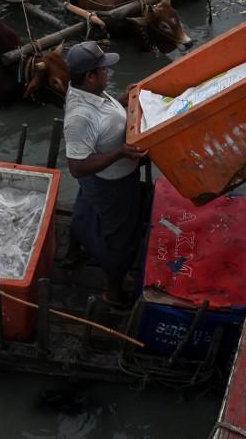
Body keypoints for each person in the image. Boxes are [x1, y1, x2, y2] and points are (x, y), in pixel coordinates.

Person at [61, 41, 147, 309]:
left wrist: (124, 100)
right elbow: (76, 167)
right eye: (104, 70)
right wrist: (121, 152)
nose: (108, 73)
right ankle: (113, 290)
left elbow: (104, 118)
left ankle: (73, 253)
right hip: (112, 181)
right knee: (121, 238)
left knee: (85, 208)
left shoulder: (88, 90)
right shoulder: (80, 116)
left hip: (99, 177)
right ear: (89, 76)